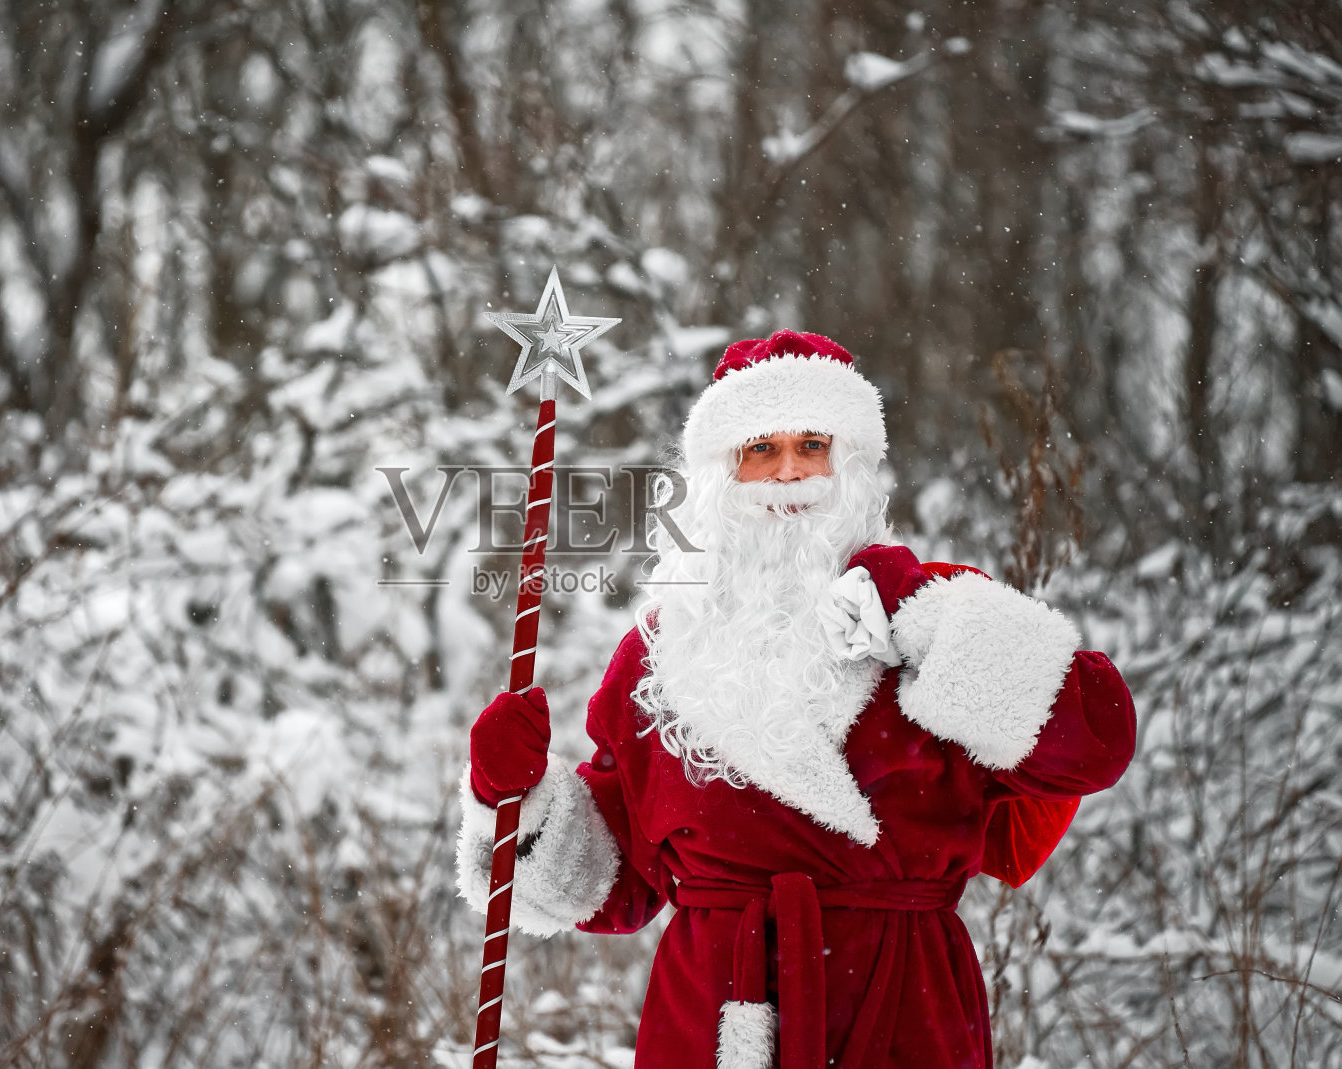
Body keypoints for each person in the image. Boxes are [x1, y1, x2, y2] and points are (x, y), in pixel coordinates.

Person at [456, 330, 1136, 1069]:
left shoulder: (934, 614)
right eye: (761, 449)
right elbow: (610, 883)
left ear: (851, 464)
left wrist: (917, 615)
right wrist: (514, 796)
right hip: (716, 1021)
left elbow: (1096, 742)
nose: (788, 473)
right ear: (722, 476)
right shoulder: (660, 654)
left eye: (813, 445)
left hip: (902, 1011)